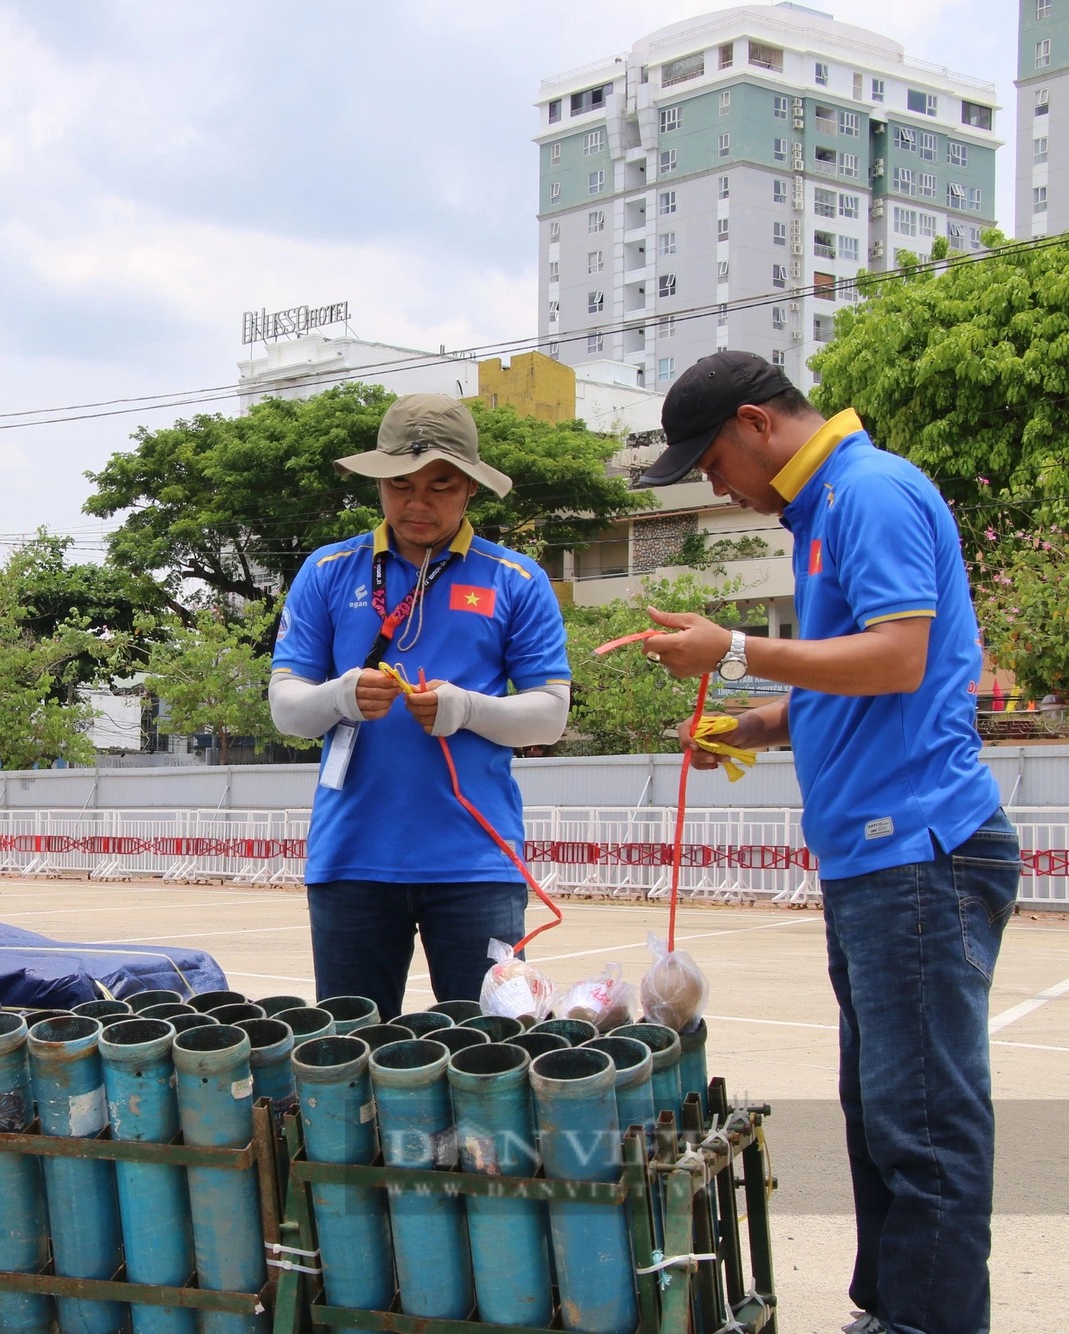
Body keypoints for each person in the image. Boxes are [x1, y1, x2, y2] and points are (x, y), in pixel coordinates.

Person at [637, 351, 1018, 1334]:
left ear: (757, 423)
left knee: (923, 1120)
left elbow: (897, 658)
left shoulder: (868, 492)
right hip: (872, 859)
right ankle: (888, 1308)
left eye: (713, 463)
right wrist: (747, 722)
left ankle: (923, 1322)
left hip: (919, 851)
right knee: (881, 1110)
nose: (716, 487)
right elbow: (842, 680)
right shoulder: (821, 514)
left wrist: (729, 649)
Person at [268, 393, 570, 1020]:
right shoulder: (327, 570)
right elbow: (286, 708)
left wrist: (466, 709)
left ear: (470, 491)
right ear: (379, 484)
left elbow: (550, 713)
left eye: (441, 486)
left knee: (491, 1051)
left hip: (477, 863)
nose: (417, 504)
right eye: (400, 485)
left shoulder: (513, 578)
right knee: (349, 1052)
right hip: (352, 859)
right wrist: (340, 695)